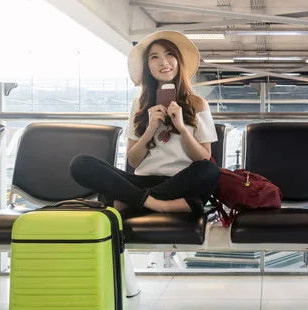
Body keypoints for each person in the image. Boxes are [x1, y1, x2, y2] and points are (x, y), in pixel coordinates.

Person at [70, 31, 220, 216]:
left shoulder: (197, 104)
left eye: (169, 54)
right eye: (154, 57)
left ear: (178, 61)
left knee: (209, 170)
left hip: (180, 181)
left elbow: (203, 159)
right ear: (148, 66)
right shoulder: (139, 105)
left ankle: (131, 202)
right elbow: (133, 161)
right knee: (81, 163)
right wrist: (150, 129)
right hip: (141, 181)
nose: (163, 62)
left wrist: (182, 128)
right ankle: (161, 205)